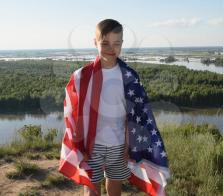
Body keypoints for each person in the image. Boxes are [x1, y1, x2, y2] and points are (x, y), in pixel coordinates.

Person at [59, 19, 170, 196]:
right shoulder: (81, 77)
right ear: (94, 42)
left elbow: (134, 116)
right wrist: (79, 145)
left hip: (118, 145)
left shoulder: (129, 77)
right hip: (91, 146)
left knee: (114, 187)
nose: (111, 49)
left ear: (122, 44)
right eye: (105, 43)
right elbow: (73, 113)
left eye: (116, 43)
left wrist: (129, 145)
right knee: (92, 190)